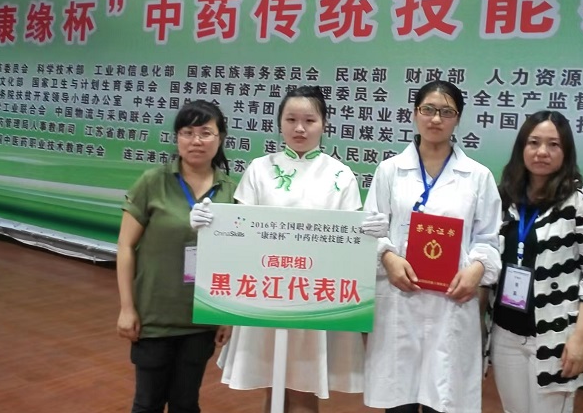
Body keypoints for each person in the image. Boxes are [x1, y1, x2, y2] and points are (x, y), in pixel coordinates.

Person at [191, 85, 386, 413]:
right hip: (266, 292)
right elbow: (239, 231)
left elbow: (350, 245)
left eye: (309, 120)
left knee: (305, 389)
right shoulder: (260, 169)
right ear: (279, 122)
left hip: (316, 297)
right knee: (272, 384)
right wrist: (210, 225)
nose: (300, 128)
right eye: (291, 119)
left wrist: (369, 235)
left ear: (324, 124)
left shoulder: (340, 175)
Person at [363, 80, 502, 413]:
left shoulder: (478, 176)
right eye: (428, 109)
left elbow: (490, 239)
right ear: (415, 113)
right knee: (400, 402)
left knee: (444, 399)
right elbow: (371, 229)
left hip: (451, 304)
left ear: (458, 119)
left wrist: (477, 270)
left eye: (446, 112)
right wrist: (388, 257)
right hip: (400, 300)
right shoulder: (390, 171)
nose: (436, 119)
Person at [116, 99, 237, 413]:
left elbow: (233, 259)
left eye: (206, 133)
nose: (196, 140)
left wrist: (227, 316)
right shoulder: (152, 182)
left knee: (186, 403)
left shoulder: (231, 191)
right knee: (148, 403)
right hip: (154, 317)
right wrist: (127, 308)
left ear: (221, 138)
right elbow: (125, 246)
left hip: (201, 319)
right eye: (187, 132)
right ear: (177, 137)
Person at [490, 110, 583, 413]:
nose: (542, 151)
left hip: (555, 335)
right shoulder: (505, 198)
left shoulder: (582, 200)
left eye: (553, 144)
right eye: (533, 142)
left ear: (566, 151)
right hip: (505, 332)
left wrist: (580, 338)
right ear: (522, 148)